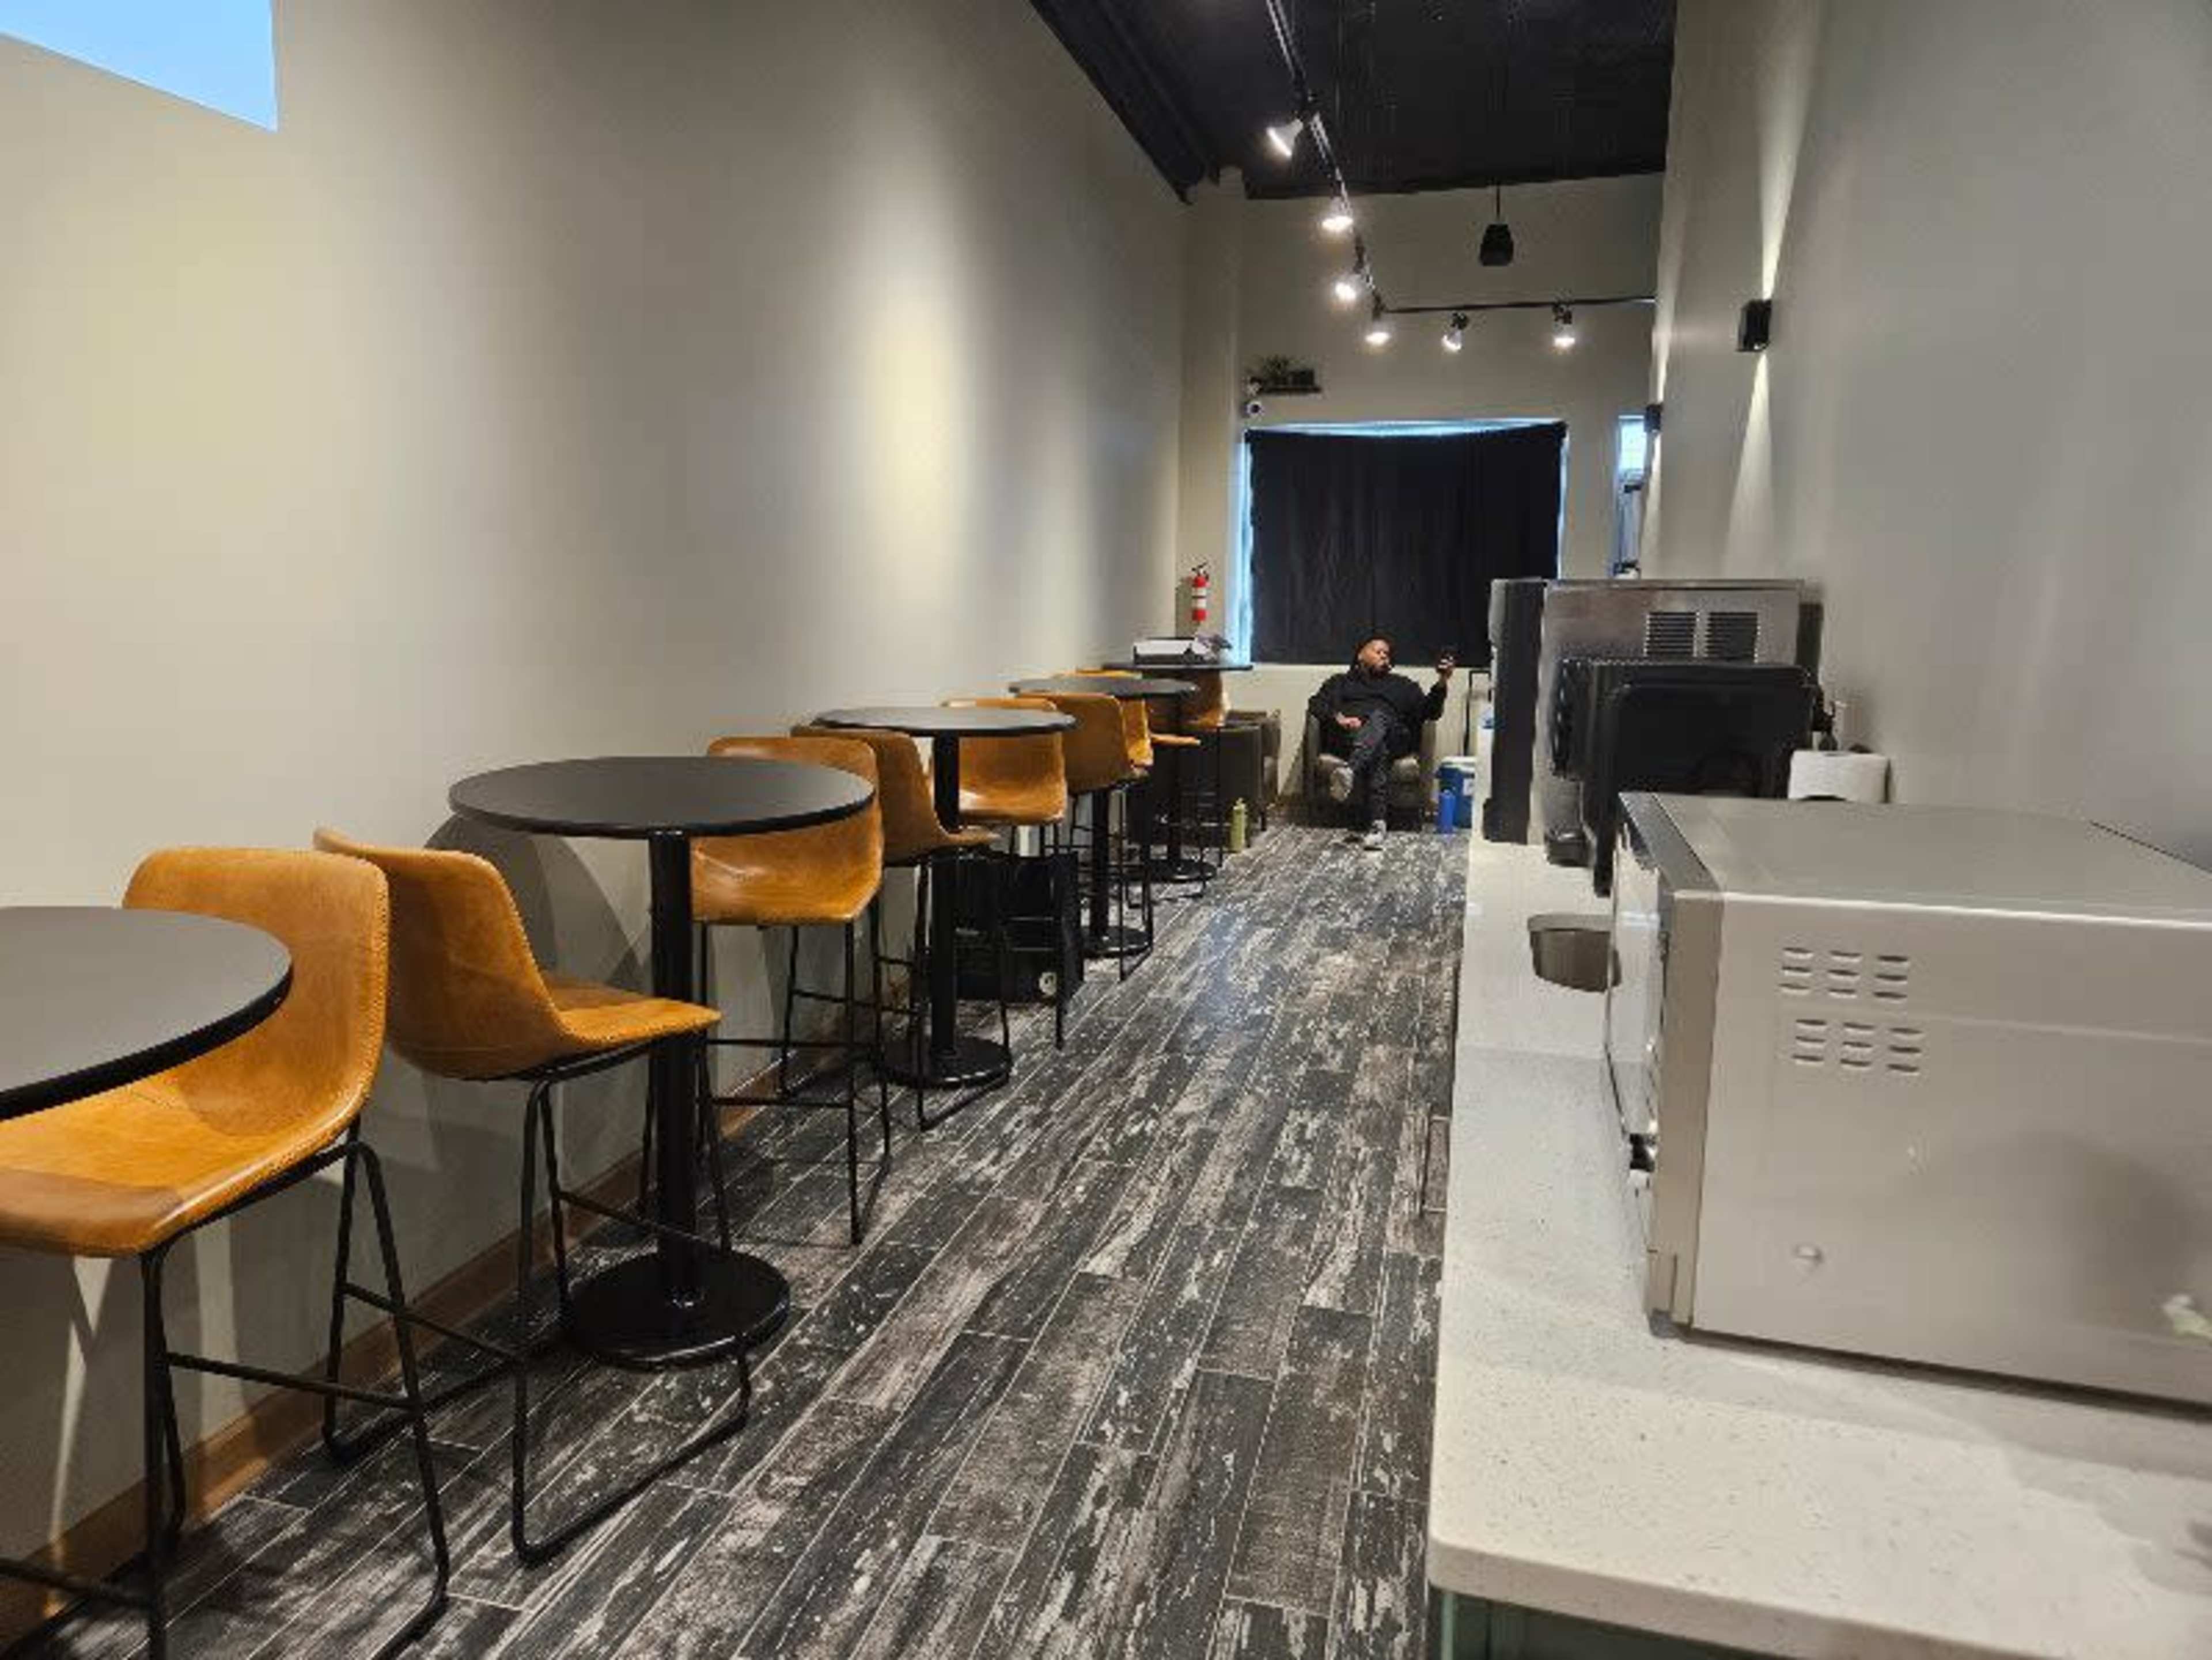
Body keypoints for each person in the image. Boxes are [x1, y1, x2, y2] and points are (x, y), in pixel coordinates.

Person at [1309, 636, 1456, 850]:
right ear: (1360, 655)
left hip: (1395, 736)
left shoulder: (1403, 685)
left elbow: (1430, 712)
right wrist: (1339, 718)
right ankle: (1378, 824)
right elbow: (1316, 704)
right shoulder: (1339, 683)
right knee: (1377, 748)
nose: (1384, 655)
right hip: (1352, 737)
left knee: (1380, 718)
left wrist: (1443, 681)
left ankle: (1350, 770)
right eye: (1378, 651)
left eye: (1386, 653)